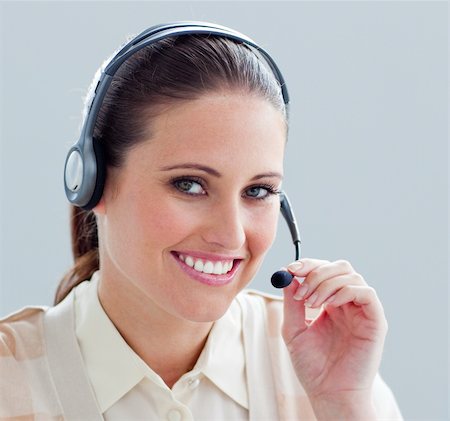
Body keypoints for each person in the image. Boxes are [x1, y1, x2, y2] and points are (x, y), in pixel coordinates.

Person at [0, 22, 403, 420]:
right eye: (190, 185)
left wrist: (343, 404)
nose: (231, 235)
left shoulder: (320, 365)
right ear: (94, 182)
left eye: (258, 191)